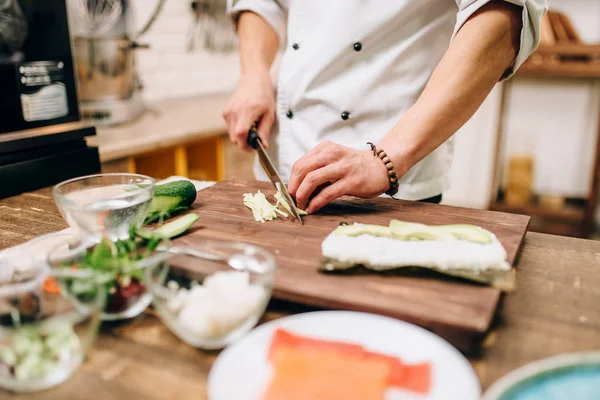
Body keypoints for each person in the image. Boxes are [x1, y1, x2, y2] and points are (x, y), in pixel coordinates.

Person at [224, 0, 548, 214]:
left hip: (391, 184)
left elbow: (503, 11)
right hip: (281, 165)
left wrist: (385, 160)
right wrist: (254, 73)